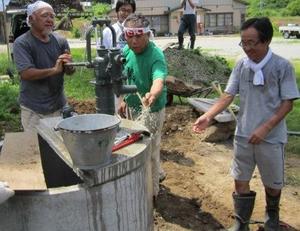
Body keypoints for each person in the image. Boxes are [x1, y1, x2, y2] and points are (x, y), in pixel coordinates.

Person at [192, 17, 299, 231]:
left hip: (271, 138)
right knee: (240, 180)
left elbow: (288, 104)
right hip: (243, 136)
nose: (247, 48)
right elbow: (228, 95)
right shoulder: (241, 65)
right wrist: (209, 116)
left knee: (273, 183)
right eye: (243, 42)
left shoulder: (281, 66)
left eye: (252, 43)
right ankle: (241, 224)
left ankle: (272, 221)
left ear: (267, 41)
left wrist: (266, 128)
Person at [118, 14, 168, 199]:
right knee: (133, 145)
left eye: (139, 36)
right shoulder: (126, 51)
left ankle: (152, 193)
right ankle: (139, 180)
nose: (134, 41)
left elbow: (159, 77)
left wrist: (153, 94)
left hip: (151, 110)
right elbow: (125, 76)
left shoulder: (155, 55)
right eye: (130, 36)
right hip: (131, 107)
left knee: (150, 151)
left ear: (148, 35)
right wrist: (123, 99)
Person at [13, 1, 75, 131]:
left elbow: (69, 71)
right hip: (34, 109)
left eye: (52, 16)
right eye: (45, 15)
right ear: (31, 19)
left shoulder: (60, 41)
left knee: (62, 145)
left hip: (59, 105)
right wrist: (54, 70)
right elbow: (26, 73)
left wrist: (69, 66)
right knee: (36, 147)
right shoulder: (22, 43)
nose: (49, 20)